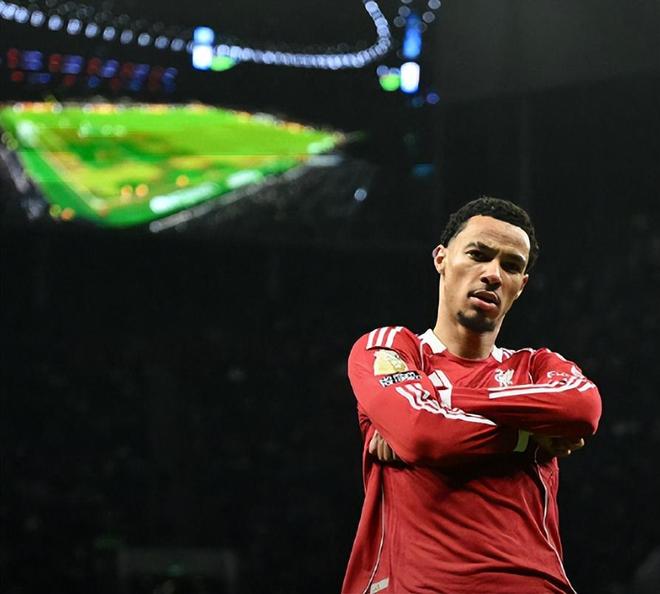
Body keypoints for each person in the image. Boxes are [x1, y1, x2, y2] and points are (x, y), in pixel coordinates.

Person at [341, 197, 602, 594]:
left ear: (521, 286)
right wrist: (527, 438)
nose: (492, 274)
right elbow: (422, 433)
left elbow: (582, 408)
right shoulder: (391, 348)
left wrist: (442, 399)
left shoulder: (538, 365)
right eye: (478, 255)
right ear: (441, 258)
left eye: (510, 266)